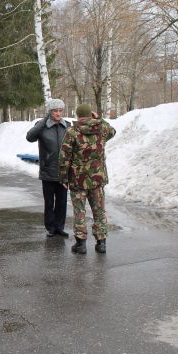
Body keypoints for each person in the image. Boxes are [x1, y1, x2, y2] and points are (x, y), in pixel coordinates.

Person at [58, 103, 116, 254]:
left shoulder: (72, 132)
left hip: (78, 180)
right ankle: (101, 243)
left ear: (77, 116)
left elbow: (64, 158)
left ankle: (81, 244)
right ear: (91, 115)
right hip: (97, 179)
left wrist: (63, 179)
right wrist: (100, 120)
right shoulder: (101, 129)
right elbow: (113, 131)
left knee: (79, 211)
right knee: (99, 211)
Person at [26, 98, 72, 237]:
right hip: (48, 170)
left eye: (60, 111)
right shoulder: (42, 126)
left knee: (62, 202)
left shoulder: (67, 126)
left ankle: (59, 227)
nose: (58, 113)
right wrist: (43, 121)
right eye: (55, 111)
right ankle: (50, 227)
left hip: (63, 172)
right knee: (49, 202)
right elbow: (30, 137)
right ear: (50, 112)